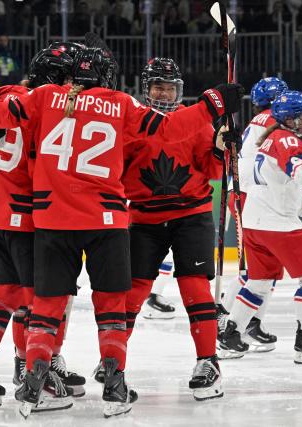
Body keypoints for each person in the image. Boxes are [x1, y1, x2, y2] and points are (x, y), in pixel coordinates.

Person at [0, 43, 243, 417]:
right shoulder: (123, 104)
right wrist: (213, 103)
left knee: (44, 305)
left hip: (51, 219)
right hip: (108, 220)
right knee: (112, 306)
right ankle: (114, 380)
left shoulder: (44, 97)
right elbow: (171, 129)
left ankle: (34, 370)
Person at [0, 43, 86, 410]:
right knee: (41, 301)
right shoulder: (50, 105)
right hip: (28, 218)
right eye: (70, 78)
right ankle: (34, 377)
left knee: (9, 294)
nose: (75, 86)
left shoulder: (6, 97)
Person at [115, 57, 225, 401]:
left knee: (195, 288)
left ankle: (208, 361)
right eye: (158, 86)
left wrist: (222, 149)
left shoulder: (196, 123)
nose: (165, 93)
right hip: (144, 218)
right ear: (146, 90)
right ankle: (113, 361)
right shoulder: (132, 123)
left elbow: (213, 171)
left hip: (191, 216)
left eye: (170, 87)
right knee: (132, 294)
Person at [218, 91, 302, 364]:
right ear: (291, 120)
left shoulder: (271, 138)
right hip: (278, 226)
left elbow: (284, 187)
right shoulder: (287, 139)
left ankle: (230, 335)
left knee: (259, 282)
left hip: (254, 222)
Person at [217, 77, 289, 357]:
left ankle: (244, 320)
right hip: (251, 196)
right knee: (260, 269)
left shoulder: (258, 119)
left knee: (262, 269)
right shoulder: (273, 121)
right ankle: (232, 321)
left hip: (245, 193)